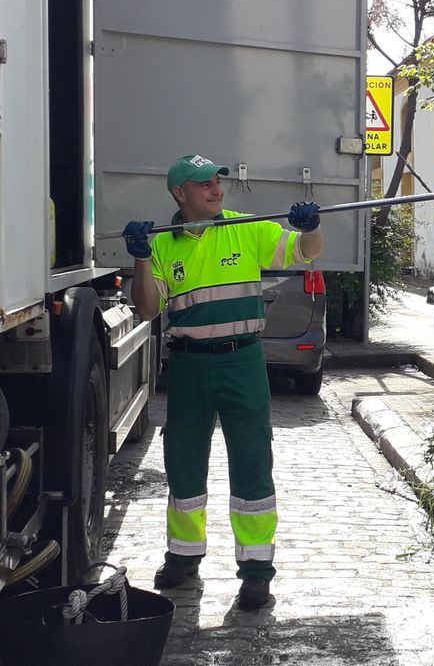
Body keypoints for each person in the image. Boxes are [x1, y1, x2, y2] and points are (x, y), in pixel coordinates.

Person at [124, 154, 323, 611]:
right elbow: (148, 310)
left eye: (218, 182)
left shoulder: (247, 228)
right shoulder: (160, 243)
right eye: (204, 185)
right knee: (184, 465)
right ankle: (183, 557)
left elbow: (308, 251)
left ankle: (256, 574)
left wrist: (309, 226)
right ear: (180, 193)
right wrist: (138, 259)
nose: (216, 190)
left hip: (243, 363)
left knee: (253, 465)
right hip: (190, 366)